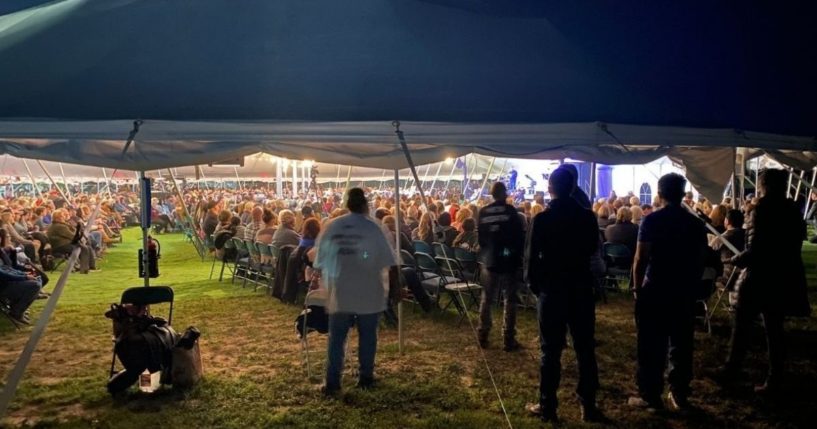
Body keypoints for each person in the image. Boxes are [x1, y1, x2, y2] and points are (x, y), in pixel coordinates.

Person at [719, 169, 810, 393]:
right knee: (775, 329)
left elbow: (756, 249)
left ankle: (732, 369)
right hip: (784, 275)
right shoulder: (793, 211)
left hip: (759, 276)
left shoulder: (760, 210)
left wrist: (733, 259)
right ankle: (774, 377)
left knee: (742, 325)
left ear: (764, 185)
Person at [525, 168, 603, 423]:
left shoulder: (543, 219)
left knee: (550, 350)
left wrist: (537, 287)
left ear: (550, 188)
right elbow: (592, 248)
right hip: (580, 288)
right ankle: (588, 404)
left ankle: (548, 405)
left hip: (552, 289)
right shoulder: (588, 217)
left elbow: (531, 259)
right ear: (573, 188)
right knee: (585, 349)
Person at [628, 173, 707, 412]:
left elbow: (641, 258)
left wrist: (636, 287)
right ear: (683, 194)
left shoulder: (652, 221)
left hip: (655, 288)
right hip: (683, 289)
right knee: (682, 343)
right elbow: (701, 259)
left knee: (652, 343)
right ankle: (679, 392)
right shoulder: (696, 224)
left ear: (659, 194)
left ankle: (651, 394)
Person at [315, 188, 396, 396]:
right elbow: (389, 262)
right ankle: (365, 377)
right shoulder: (374, 228)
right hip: (369, 289)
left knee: (337, 338)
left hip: (340, 289)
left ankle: (333, 381)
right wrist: (395, 291)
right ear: (365, 205)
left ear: (347, 204)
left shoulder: (333, 227)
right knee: (368, 336)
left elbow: (320, 260)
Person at [476, 182, 525, 351]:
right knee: (510, 300)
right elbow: (519, 238)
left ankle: (483, 334)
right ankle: (508, 339)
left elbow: (481, 239)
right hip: (509, 261)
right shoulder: (511, 212)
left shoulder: (483, 212)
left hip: (489, 260)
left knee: (486, 299)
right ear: (504, 193)